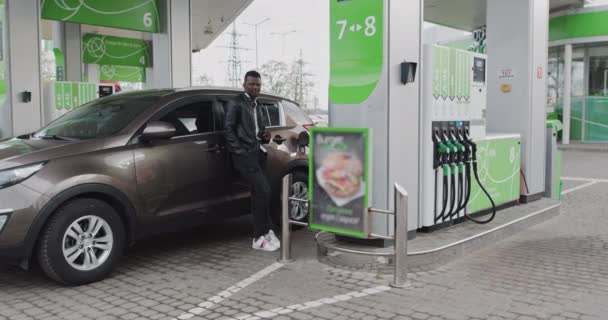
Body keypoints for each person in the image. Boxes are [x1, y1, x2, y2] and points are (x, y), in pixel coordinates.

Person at [224, 71, 281, 252]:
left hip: (258, 153)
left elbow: (260, 132)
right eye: (252, 84)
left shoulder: (258, 105)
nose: (255, 87)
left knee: (260, 193)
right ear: (244, 84)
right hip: (245, 156)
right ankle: (258, 237)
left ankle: (266, 230)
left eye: (258, 85)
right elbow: (228, 130)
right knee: (264, 190)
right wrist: (240, 151)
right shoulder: (237, 102)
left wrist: (265, 136)